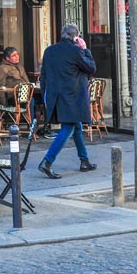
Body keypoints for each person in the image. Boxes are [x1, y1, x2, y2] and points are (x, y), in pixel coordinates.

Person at [37, 24, 97, 179]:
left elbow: (43, 76)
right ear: (76, 36)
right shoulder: (76, 51)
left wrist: (46, 96)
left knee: (76, 127)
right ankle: (47, 162)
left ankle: (84, 160)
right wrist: (85, 49)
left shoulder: (49, 51)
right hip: (72, 96)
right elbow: (91, 68)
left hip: (55, 96)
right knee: (68, 128)